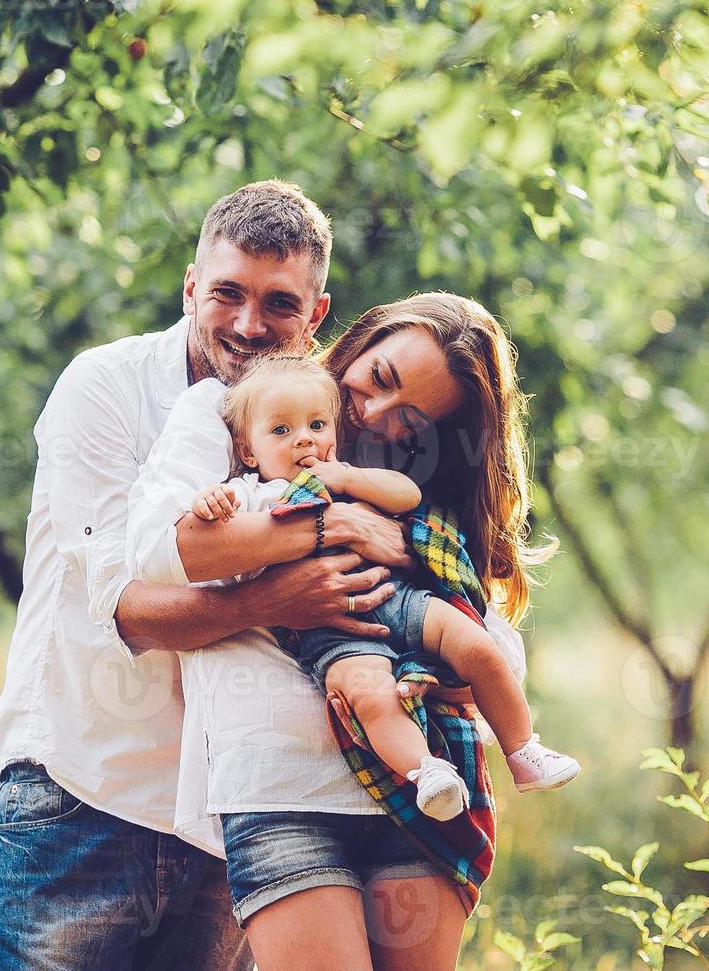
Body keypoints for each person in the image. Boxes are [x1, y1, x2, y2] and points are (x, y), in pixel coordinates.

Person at [0, 180, 412, 970]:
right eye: (226, 294)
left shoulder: (316, 421)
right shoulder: (103, 389)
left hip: (232, 804)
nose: (250, 325)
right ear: (190, 287)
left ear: (316, 315)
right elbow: (133, 615)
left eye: (279, 304)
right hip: (82, 791)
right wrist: (292, 579)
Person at [128, 292, 547, 969]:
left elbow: (494, 646)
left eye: (410, 417)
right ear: (363, 335)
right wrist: (325, 535)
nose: (375, 413)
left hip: (422, 785)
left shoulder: (404, 485)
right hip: (280, 786)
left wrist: (412, 564)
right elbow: (161, 550)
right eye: (379, 379)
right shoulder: (246, 405)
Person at [184, 354, 578, 823]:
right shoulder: (249, 494)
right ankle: (426, 772)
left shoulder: (348, 476)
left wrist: (347, 477)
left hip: (398, 597)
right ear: (249, 451)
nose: (304, 438)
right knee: (371, 697)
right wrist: (210, 501)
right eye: (281, 431)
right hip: (333, 631)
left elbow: (407, 495)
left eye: (316, 424)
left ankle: (522, 749)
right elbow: (210, 535)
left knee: (477, 643)